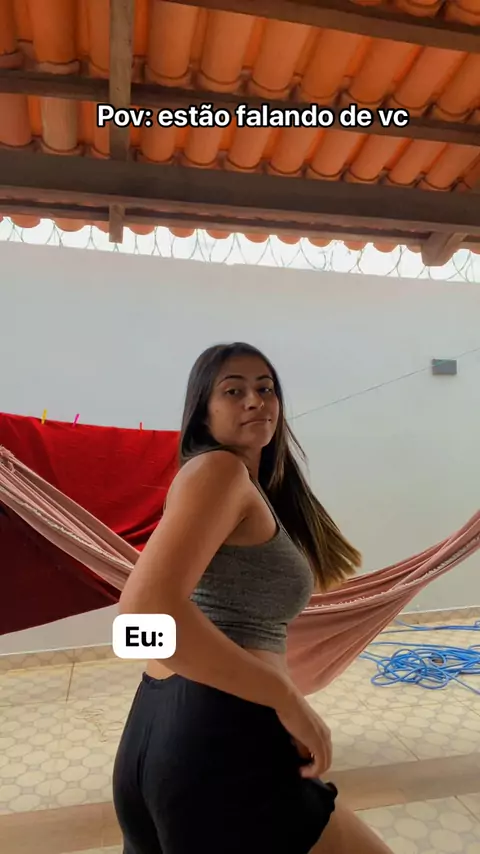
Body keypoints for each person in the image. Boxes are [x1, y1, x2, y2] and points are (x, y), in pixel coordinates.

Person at [113, 342, 394, 854]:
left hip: (160, 733)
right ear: (203, 412)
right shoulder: (217, 472)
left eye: (265, 388)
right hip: (220, 743)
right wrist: (285, 697)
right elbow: (138, 622)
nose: (254, 400)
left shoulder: (238, 485)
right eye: (233, 390)